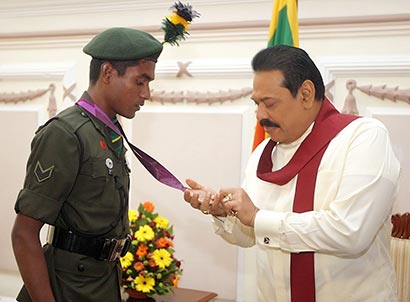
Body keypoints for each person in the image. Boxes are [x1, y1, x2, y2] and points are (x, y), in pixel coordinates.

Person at [184, 45, 401, 301]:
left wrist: (256, 217)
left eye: (270, 104)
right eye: (257, 105)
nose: (260, 116)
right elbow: (251, 236)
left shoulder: (363, 137)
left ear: (306, 94)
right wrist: (225, 214)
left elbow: (350, 232)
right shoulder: (264, 153)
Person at [11, 27, 163, 302]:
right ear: (107, 73)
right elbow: (24, 234)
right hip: (68, 288)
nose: (147, 93)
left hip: (102, 281)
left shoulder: (107, 131)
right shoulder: (66, 133)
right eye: (140, 82)